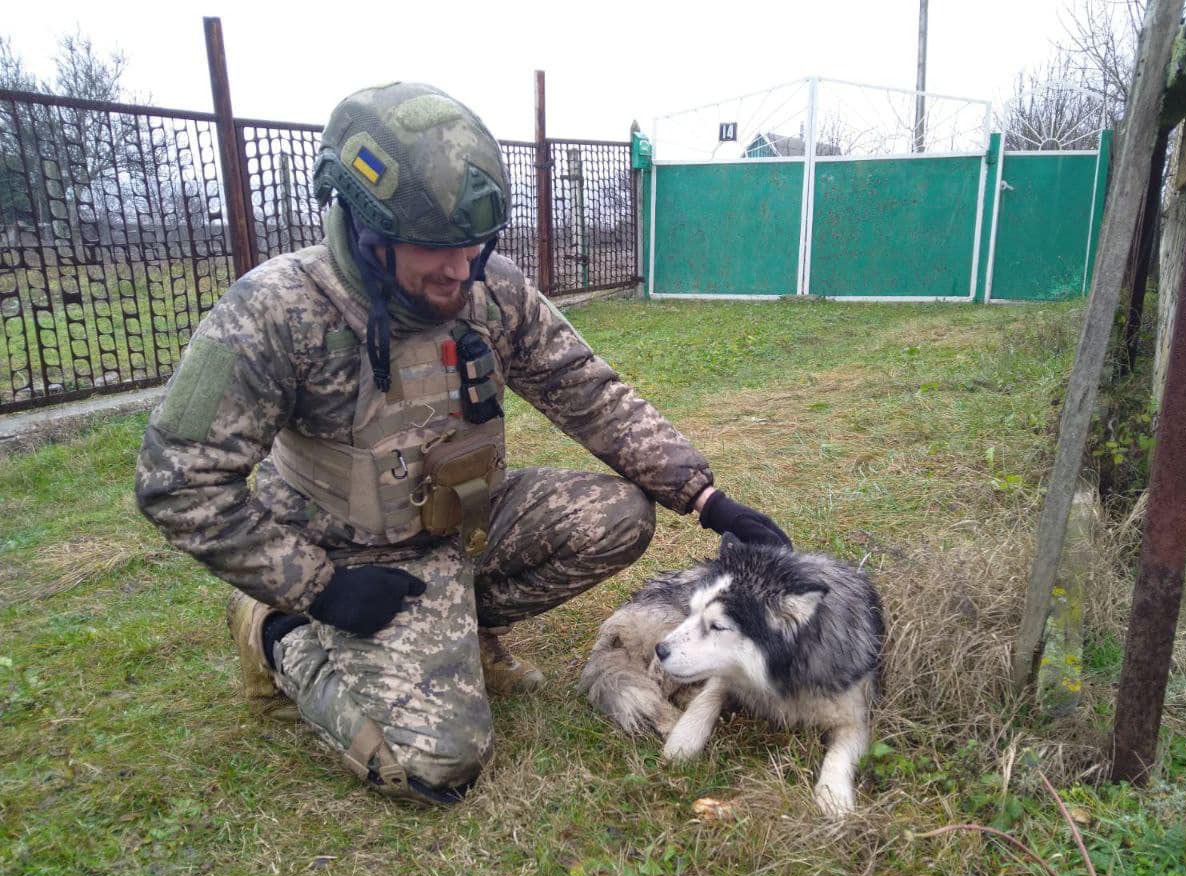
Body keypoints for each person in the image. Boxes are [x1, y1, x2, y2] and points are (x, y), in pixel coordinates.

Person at [136, 82, 789, 806]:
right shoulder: (276, 311)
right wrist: (315, 588)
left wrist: (703, 496)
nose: (460, 271)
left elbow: (584, 389)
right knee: (435, 770)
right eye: (435, 252)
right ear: (365, 228)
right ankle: (277, 635)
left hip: (461, 527)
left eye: (473, 249)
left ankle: (455, 631)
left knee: (620, 515)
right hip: (345, 558)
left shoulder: (490, 288)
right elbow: (178, 482)